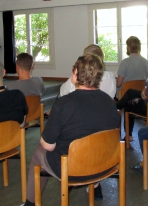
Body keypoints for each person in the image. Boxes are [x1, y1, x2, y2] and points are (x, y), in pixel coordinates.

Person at [22, 54, 120, 206]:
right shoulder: (109, 102)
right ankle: (95, 186)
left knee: (38, 152)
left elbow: (48, 145)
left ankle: (30, 203)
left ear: (75, 74)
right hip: (105, 165)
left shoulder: (63, 104)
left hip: (73, 169)